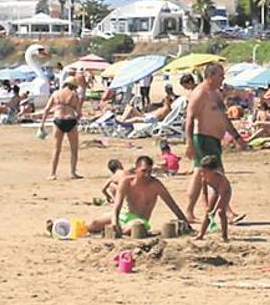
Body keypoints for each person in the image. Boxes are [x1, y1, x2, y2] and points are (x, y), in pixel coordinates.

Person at [184, 63, 247, 222]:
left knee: (199, 175)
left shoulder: (216, 94)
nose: (223, 78)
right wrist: (189, 142)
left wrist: (237, 137)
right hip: (203, 139)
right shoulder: (200, 93)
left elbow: (224, 119)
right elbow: (190, 118)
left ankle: (191, 211)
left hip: (214, 140)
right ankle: (227, 211)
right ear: (211, 76)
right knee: (218, 176)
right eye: (220, 75)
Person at [86, 156, 189, 235]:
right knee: (93, 224)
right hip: (124, 214)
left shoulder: (155, 185)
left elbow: (172, 204)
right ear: (136, 169)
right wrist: (115, 221)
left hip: (139, 220)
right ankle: (114, 229)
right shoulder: (126, 182)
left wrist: (185, 222)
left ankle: (116, 230)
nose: (147, 175)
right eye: (144, 171)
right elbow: (117, 205)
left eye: (150, 171)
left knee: (134, 227)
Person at [40, 76, 83, 180]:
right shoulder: (74, 95)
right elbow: (78, 112)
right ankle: (73, 172)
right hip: (70, 120)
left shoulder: (56, 94)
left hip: (58, 120)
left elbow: (46, 109)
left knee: (56, 149)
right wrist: (77, 117)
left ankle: (52, 174)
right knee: (74, 149)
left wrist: (42, 124)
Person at [196, 155, 232, 242]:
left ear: (213, 171)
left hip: (225, 193)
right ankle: (201, 234)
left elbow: (222, 195)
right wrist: (206, 206)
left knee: (221, 212)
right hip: (215, 191)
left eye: (205, 171)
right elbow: (204, 193)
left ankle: (224, 236)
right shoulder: (204, 178)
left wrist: (214, 210)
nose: (202, 173)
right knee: (207, 213)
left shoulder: (221, 179)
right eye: (202, 171)